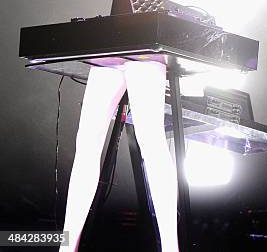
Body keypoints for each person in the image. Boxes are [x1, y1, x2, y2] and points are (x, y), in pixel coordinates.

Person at [62, 59, 179, 251]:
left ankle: (171, 247)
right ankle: (66, 247)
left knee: (151, 143)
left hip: (144, 52)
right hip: (108, 54)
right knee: (86, 144)